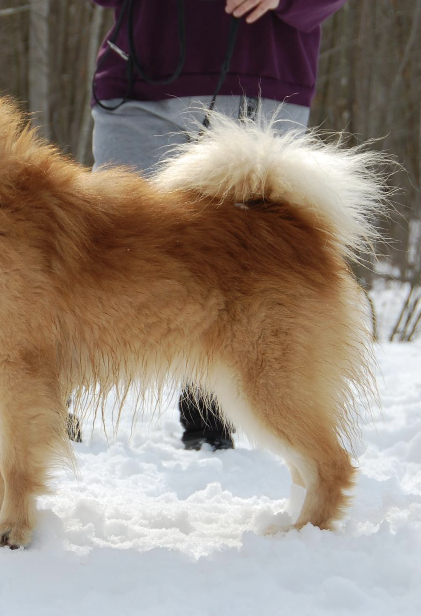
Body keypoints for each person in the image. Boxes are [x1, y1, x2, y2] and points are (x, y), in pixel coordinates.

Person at [88, 0, 347, 450]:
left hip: (263, 80)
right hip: (142, 82)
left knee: (247, 263)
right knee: (107, 248)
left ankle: (209, 419)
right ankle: (52, 394)